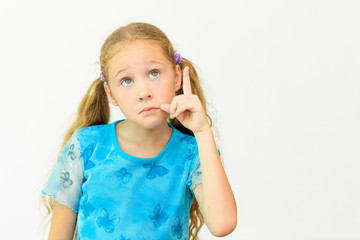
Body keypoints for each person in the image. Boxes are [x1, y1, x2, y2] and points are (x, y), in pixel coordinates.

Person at [40, 22, 237, 240]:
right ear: (110, 94)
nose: (144, 92)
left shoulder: (192, 152)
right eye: (126, 80)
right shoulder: (86, 146)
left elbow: (222, 224)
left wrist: (202, 132)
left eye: (154, 73)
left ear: (177, 77)